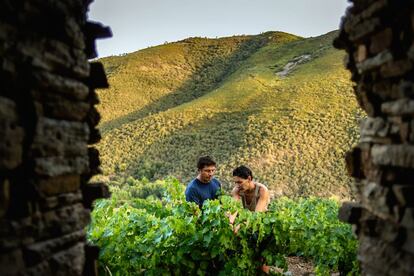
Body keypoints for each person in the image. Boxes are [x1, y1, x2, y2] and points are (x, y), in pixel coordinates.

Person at [229, 165, 271, 274]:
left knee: (262, 261)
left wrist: (240, 224)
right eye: (235, 182)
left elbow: (256, 216)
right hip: (244, 223)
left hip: (261, 224)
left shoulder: (262, 190)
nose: (237, 185)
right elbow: (234, 209)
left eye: (240, 182)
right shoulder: (237, 191)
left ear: (249, 179)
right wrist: (230, 223)